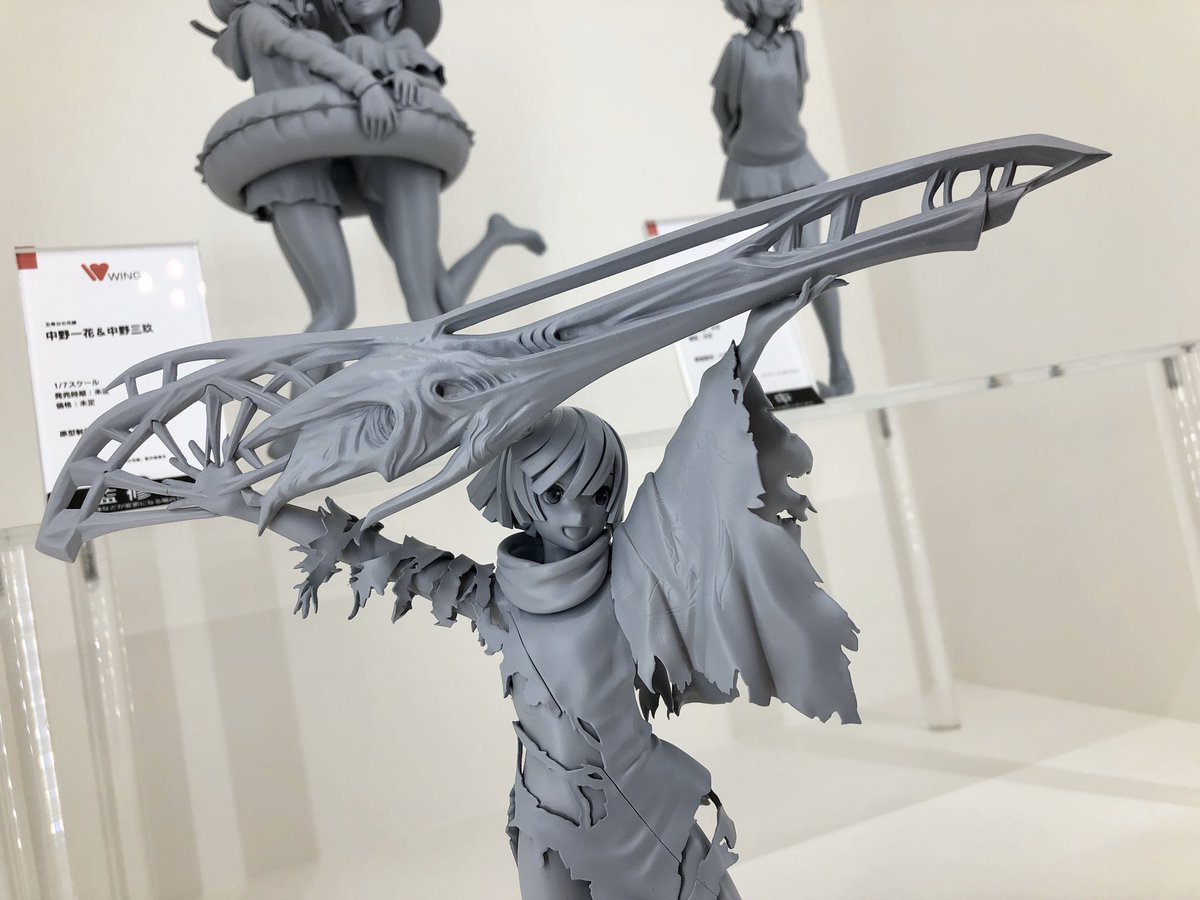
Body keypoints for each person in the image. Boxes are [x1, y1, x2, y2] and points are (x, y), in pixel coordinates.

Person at [163, 289, 860, 900]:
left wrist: (758, 329)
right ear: (521, 496)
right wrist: (245, 505)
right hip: (546, 817)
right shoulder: (497, 600)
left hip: (642, 810)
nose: (579, 513)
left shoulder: (634, 573)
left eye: (597, 493)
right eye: (555, 494)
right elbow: (371, 552)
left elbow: (704, 450)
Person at [323, 0, 546, 318]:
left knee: (421, 303)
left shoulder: (406, 41)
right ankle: (496, 236)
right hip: (367, 172)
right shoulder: (346, 49)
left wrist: (411, 78)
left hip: (405, 165)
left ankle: (441, 359)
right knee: (446, 297)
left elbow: (430, 85)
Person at [209, 0, 392, 334]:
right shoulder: (258, 16)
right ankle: (294, 373)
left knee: (328, 312)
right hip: (294, 179)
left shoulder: (280, 20)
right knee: (339, 309)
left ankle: (317, 372)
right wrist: (364, 84)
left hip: (306, 173)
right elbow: (303, 50)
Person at [712, 0, 855, 396]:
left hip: (796, 165)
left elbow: (796, 98)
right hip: (751, 172)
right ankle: (758, 380)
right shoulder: (737, 50)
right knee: (765, 275)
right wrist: (741, 144)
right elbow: (722, 109)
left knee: (817, 264)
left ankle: (840, 367)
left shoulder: (796, 44)